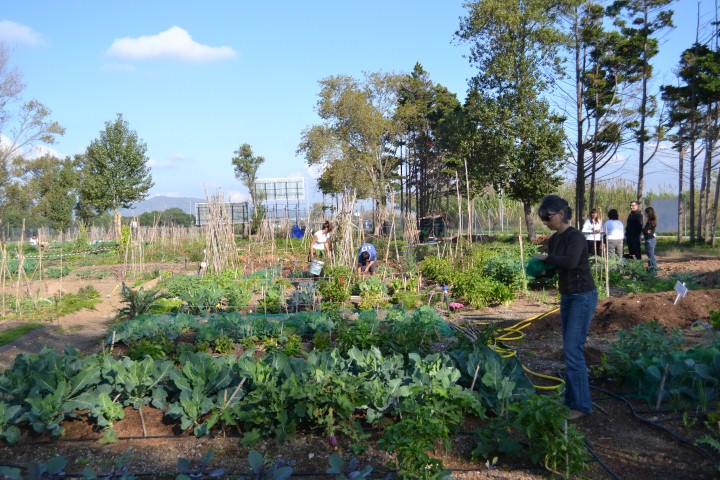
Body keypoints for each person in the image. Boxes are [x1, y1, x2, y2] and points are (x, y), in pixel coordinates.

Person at [533, 195, 597, 421]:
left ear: (561, 213)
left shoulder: (576, 237)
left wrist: (547, 258)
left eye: (548, 217)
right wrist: (541, 271)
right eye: (543, 218)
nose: (546, 221)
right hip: (568, 296)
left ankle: (581, 406)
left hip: (583, 295)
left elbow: (570, 262)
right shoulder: (554, 239)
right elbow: (555, 269)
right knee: (570, 348)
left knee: (572, 349)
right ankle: (571, 401)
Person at [643, 207, 658, 272]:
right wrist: (646, 231)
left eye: (645, 212)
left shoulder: (650, 221)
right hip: (650, 239)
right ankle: (650, 269)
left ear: (648, 213)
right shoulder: (652, 220)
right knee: (650, 255)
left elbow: (646, 230)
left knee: (651, 255)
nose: (645, 214)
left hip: (650, 240)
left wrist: (645, 230)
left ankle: (653, 270)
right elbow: (646, 231)